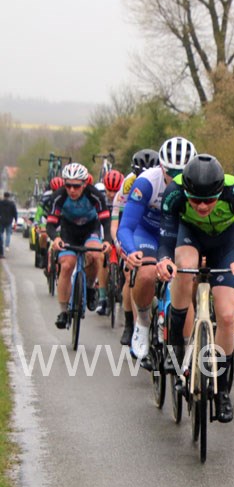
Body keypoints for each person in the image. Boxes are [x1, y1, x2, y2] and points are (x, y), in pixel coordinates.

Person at [156, 154, 234, 424]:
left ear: (220, 192)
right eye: (195, 200)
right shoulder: (174, 192)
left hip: (225, 243)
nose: (202, 206)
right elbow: (166, 240)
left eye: (209, 200)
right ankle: (176, 346)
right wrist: (164, 260)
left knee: (227, 317)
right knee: (184, 267)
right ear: (186, 192)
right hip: (189, 236)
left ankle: (222, 390)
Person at [119, 137, 197, 360]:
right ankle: (143, 323)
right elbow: (126, 226)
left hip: (178, 233)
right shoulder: (146, 182)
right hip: (148, 233)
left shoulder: (198, 181)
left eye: (182, 173)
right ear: (161, 167)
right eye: (171, 173)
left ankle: (187, 350)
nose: (176, 178)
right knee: (146, 273)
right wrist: (131, 251)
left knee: (186, 280)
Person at [46, 163, 112, 329]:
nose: (71, 190)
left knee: (94, 255)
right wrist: (55, 239)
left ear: (84, 184)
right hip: (69, 232)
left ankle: (89, 287)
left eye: (76, 186)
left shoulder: (94, 195)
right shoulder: (59, 196)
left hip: (91, 229)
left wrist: (107, 241)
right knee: (67, 265)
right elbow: (51, 224)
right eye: (68, 185)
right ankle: (63, 311)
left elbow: (106, 221)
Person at [111, 148, 160, 345]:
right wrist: (121, 247)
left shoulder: (161, 181)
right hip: (133, 223)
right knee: (129, 274)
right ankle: (131, 324)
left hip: (157, 227)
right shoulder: (129, 184)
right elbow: (117, 222)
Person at [94, 169, 124, 315]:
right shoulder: (100, 200)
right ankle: (102, 297)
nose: (112, 195)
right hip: (104, 234)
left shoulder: (125, 198)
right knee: (101, 257)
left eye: (115, 191)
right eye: (109, 190)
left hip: (120, 233)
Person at [0, 192, 18, 257]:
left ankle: (1, 242)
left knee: (1, 233)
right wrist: (16, 220)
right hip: (9, 221)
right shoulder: (12, 204)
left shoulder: (1, 203)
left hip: (1, 220)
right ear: (9, 196)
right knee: (8, 234)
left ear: (4, 196)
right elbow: (15, 212)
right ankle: (7, 246)